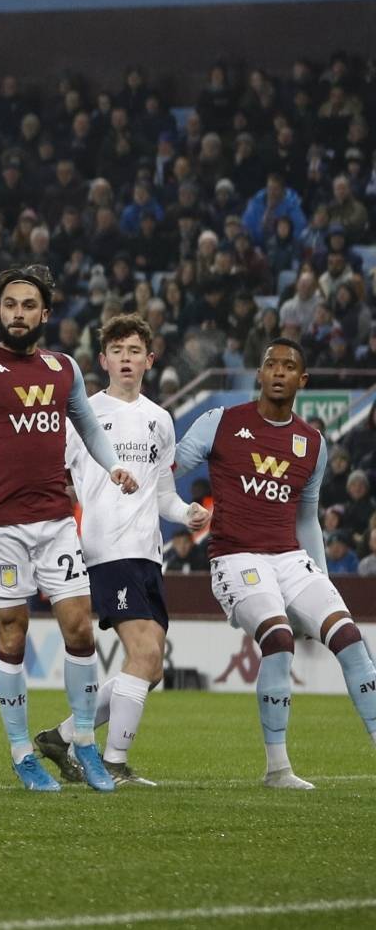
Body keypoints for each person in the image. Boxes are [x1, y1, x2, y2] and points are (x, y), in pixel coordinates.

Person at [0, 264, 140, 793]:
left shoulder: (64, 368)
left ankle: (85, 742)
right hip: (0, 526)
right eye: (10, 305)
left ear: (45, 313)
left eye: (28, 306)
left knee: (79, 628)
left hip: (57, 520)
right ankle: (21, 751)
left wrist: (112, 465)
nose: (19, 314)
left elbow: (86, 425)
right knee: (12, 636)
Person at [175, 337, 376, 788]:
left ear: (302, 379)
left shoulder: (312, 443)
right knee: (279, 639)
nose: (280, 371)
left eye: (289, 366)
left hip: (290, 558)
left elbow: (307, 518)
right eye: (271, 364)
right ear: (260, 375)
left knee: (350, 639)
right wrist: (172, 510)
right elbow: (169, 469)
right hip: (235, 556)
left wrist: (318, 579)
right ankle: (278, 769)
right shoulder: (221, 422)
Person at [35, 314, 209, 787]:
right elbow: (56, 475)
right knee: (146, 654)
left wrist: (186, 512)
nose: (127, 359)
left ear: (149, 360)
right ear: (104, 360)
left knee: (148, 668)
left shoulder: (160, 419)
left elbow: (163, 492)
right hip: (108, 548)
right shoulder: (84, 416)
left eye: (135, 351)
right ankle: (112, 763)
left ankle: (62, 735)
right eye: (118, 351)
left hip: (148, 553)